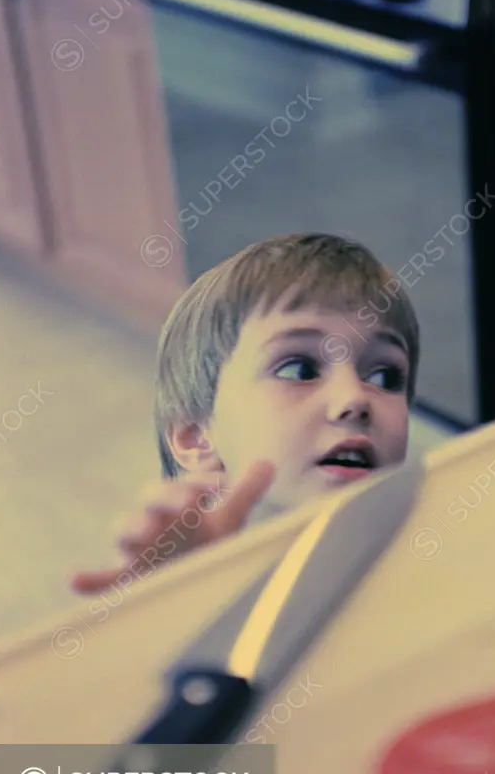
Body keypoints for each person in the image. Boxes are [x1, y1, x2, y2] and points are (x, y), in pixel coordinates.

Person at [72, 232, 420, 595]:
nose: (354, 399)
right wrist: (178, 591)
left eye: (385, 376)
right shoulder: (190, 569)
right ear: (197, 437)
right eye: (299, 369)